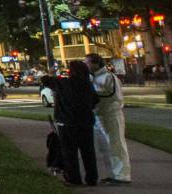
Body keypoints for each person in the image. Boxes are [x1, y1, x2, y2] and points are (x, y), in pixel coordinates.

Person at [52, 58, 100, 187]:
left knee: (70, 152)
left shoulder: (64, 83)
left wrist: (53, 73)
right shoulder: (87, 84)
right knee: (88, 152)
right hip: (85, 122)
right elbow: (95, 100)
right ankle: (92, 178)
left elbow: (45, 80)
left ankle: (74, 178)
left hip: (67, 123)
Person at [87, 53, 132, 184]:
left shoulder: (109, 77)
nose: (86, 65)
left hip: (110, 114)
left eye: (87, 62)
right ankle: (114, 174)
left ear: (95, 64)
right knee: (105, 147)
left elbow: (111, 95)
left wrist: (91, 95)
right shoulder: (92, 78)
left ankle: (122, 176)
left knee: (116, 145)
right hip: (98, 115)